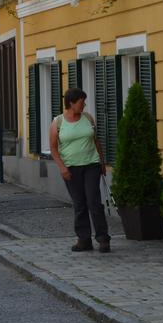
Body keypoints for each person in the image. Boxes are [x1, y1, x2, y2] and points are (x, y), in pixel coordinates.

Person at [49, 87, 111, 253]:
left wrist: (102, 162)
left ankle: (103, 238)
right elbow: (54, 148)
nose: (84, 105)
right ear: (71, 103)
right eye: (81, 102)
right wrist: (62, 167)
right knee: (79, 204)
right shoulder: (58, 122)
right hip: (71, 168)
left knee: (94, 202)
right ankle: (84, 239)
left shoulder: (88, 118)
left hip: (91, 164)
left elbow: (96, 141)